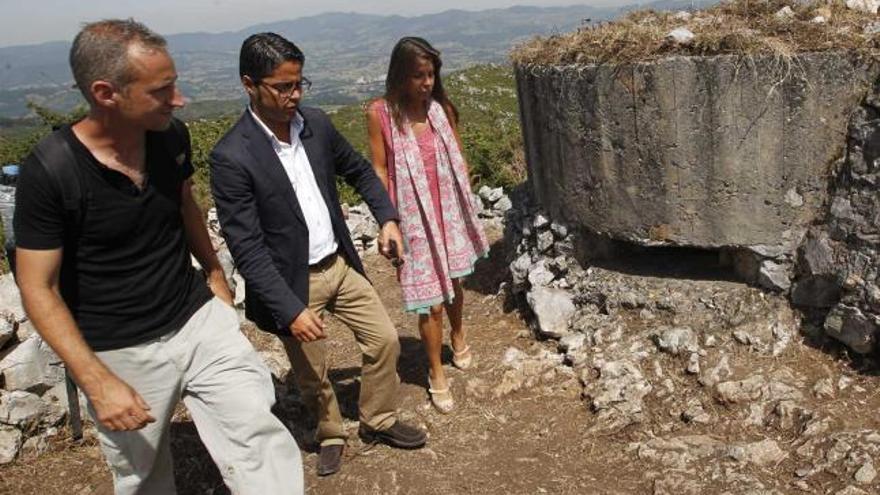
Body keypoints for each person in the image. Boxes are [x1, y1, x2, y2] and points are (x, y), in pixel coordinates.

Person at [13, 20, 302, 495]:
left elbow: (186, 206)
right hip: (118, 346)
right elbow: (36, 286)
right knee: (142, 475)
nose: (179, 98)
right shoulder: (52, 171)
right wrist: (97, 380)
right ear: (106, 93)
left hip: (195, 317)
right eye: (162, 89)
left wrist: (215, 279)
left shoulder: (170, 137)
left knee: (256, 430)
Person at [210, 32, 427, 478]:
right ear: (249, 84)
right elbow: (246, 247)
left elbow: (361, 171)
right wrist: (289, 309)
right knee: (312, 371)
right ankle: (330, 432)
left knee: (384, 340)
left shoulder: (316, 124)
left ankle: (379, 418)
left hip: (339, 263)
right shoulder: (232, 156)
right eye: (282, 86)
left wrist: (387, 218)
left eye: (299, 84)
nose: (294, 95)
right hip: (293, 281)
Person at [366, 37, 489, 414]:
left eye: (431, 74)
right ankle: (436, 371)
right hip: (413, 218)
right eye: (418, 75)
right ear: (400, 76)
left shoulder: (441, 110)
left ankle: (459, 333)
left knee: (454, 282)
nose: (426, 83)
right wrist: (387, 220)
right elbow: (381, 167)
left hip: (447, 210)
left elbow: (458, 157)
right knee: (429, 302)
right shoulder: (380, 114)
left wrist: (466, 204)